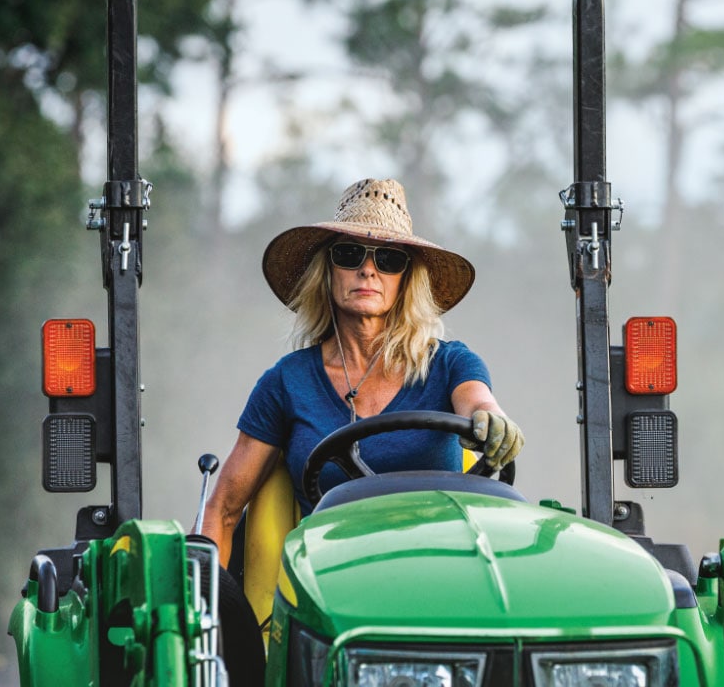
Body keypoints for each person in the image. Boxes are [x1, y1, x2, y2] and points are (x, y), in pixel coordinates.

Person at [200, 178, 524, 679]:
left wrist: (492, 420)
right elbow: (222, 509)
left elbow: (478, 400)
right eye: (350, 253)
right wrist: (205, 621)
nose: (369, 268)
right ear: (327, 271)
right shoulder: (287, 382)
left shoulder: (448, 364)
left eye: (389, 258)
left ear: (405, 279)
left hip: (439, 578)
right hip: (332, 587)